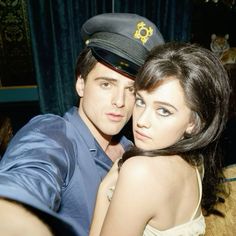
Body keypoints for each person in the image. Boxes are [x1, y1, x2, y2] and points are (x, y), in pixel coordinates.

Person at [0, 13, 164, 236]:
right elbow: (26, 180)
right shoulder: (53, 134)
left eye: (132, 90)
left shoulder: (134, 149)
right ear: (81, 84)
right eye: (106, 84)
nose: (120, 101)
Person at [89, 42, 231, 236]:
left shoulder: (139, 171)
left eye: (163, 111)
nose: (142, 120)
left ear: (194, 123)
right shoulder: (195, 164)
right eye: (140, 101)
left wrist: (103, 191)